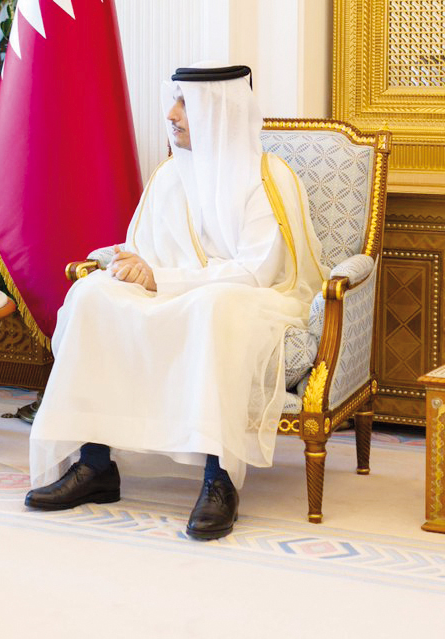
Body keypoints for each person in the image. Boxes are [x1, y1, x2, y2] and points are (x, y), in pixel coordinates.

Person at [25, 65, 324, 540]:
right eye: (175, 100)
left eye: (185, 104)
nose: (172, 115)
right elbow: (143, 250)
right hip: (174, 293)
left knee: (216, 309)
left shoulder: (269, 178)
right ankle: (96, 464)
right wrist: (131, 268)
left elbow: (255, 272)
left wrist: (161, 279)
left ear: (218, 110)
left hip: (252, 302)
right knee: (92, 293)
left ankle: (219, 480)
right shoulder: (169, 175)